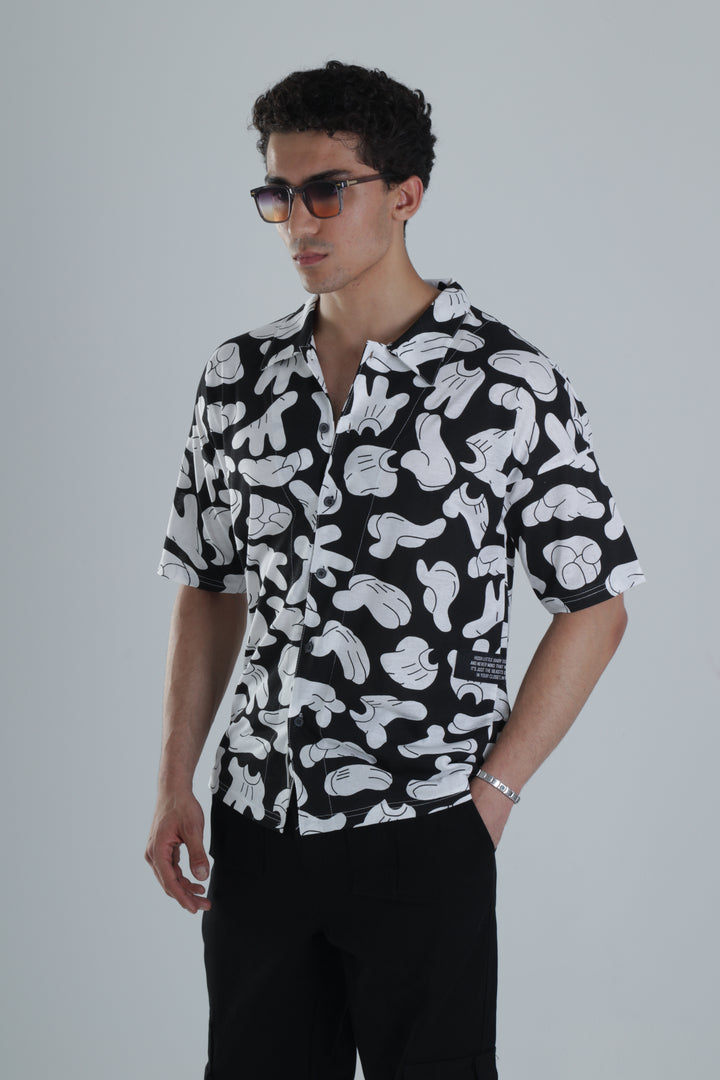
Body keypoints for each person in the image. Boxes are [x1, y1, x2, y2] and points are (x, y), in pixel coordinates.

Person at [145, 60, 645, 1080]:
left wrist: (492, 795)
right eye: (278, 195)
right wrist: (174, 778)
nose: (298, 223)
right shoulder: (238, 379)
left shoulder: (506, 384)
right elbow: (208, 580)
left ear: (406, 195)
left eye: (327, 191)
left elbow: (595, 604)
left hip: (424, 824)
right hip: (260, 819)